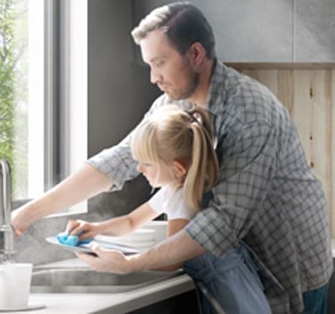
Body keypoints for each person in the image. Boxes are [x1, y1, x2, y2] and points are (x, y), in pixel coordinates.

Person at [12, 2, 333, 313]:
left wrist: (130, 264)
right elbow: (120, 160)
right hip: (229, 263)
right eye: (150, 65)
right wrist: (28, 214)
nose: (153, 77)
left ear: (195, 54)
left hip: (287, 259)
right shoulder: (171, 105)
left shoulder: (250, 113)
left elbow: (223, 221)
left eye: (160, 62)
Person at [65, 104, 271, 313]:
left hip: (229, 290)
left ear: (177, 168)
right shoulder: (174, 189)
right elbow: (131, 221)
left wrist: (127, 263)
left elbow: (172, 260)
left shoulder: (182, 199)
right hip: (231, 283)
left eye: (146, 163)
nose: (139, 169)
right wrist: (96, 228)